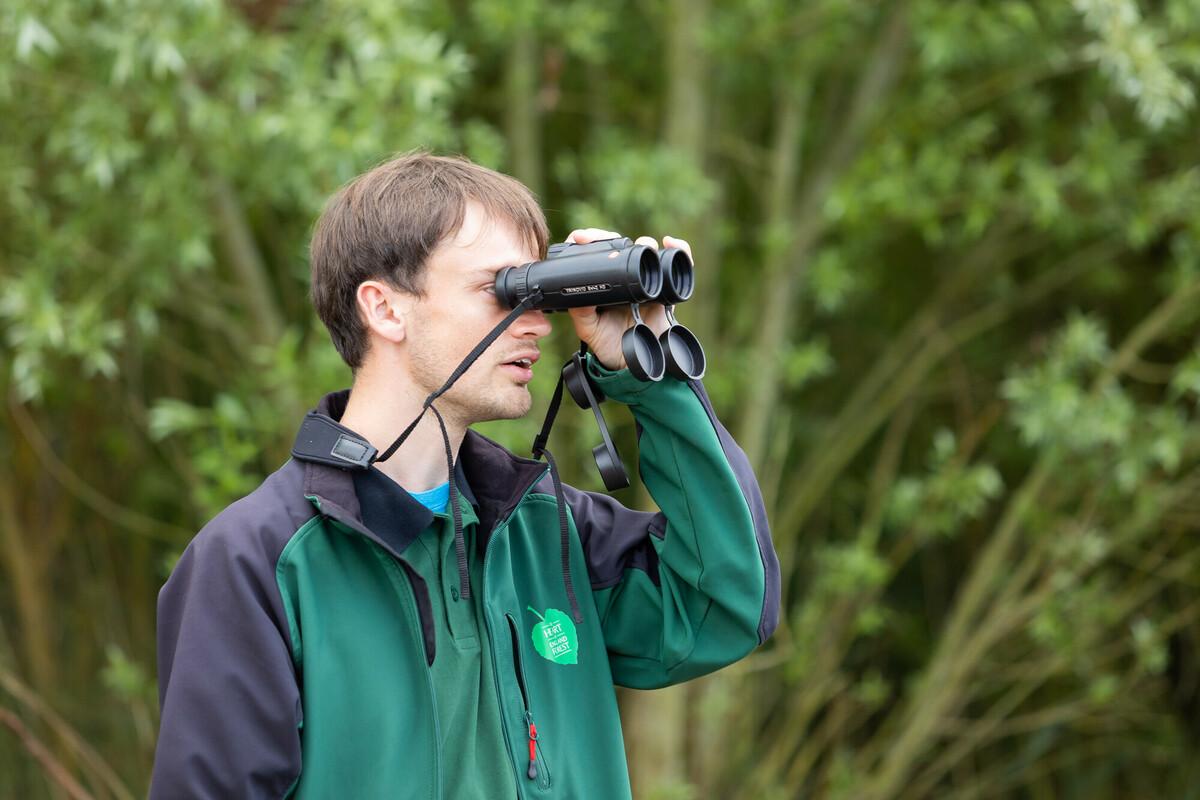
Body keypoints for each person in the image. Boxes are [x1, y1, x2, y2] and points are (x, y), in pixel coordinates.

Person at [149, 151, 780, 799]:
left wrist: (651, 376)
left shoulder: (543, 533)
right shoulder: (258, 563)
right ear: (385, 309)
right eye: (501, 289)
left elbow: (725, 604)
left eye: (539, 292)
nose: (536, 322)